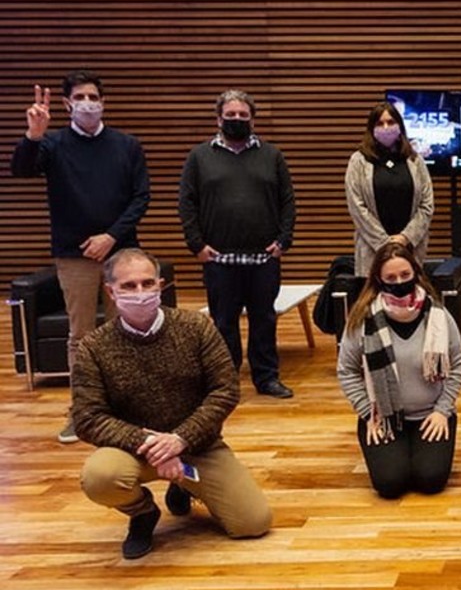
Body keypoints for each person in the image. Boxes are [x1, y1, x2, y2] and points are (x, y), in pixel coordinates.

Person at [72, 248, 272, 559]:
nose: (140, 292)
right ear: (111, 292)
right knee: (100, 477)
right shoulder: (93, 347)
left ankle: (183, 485)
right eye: (128, 286)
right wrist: (151, 443)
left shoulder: (196, 327)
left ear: (161, 285)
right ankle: (142, 512)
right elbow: (88, 417)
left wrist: (180, 439)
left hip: (198, 446)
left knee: (253, 522)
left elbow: (225, 390)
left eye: (147, 283)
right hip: (134, 451)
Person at [11, 70, 150, 444]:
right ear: (66, 103)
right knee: (82, 335)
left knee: (128, 330)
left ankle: (128, 406)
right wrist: (33, 135)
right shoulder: (52, 144)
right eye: (80, 98)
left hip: (122, 251)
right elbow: (21, 169)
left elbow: (141, 197)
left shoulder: (126, 145)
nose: (88, 103)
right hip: (74, 255)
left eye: (93, 97)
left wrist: (111, 236)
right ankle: (83, 411)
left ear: (103, 102)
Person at [178, 89, 297, 399]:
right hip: (218, 260)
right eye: (230, 115)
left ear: (253, 119)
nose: (237, 119)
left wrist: (283, 241)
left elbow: (287, 201)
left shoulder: (272, 156)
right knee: (223, 323)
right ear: (218, 119)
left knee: (264, 321)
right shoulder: (199, 157)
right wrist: (196, 245)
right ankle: (225, 382)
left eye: (243, 115)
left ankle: (267, 378)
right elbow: (187, 203)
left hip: (263, 259)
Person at [337, 242, 461, 498]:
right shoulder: (362, 319)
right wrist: (367, 413)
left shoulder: (439, 315)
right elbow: (347, 371)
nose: (399, 282)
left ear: (416, 273)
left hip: (431, 414)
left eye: (405, 275)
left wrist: (443, 410)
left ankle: (422, 444)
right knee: (390, 484)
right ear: (379, 280)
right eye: (391, 278)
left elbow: (459, 364)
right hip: (382, 416)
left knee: (430, 480)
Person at [345, 101, 435, 275]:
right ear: (371, 129)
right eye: (380, 123)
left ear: (399, 126)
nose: (386, 127)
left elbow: (426, 204)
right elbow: (357, 207)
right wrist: (384, 243)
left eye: (391, 122)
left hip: (410, 249)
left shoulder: (415, 160)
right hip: (372, 250)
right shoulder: (358, 161)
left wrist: (405, 238)